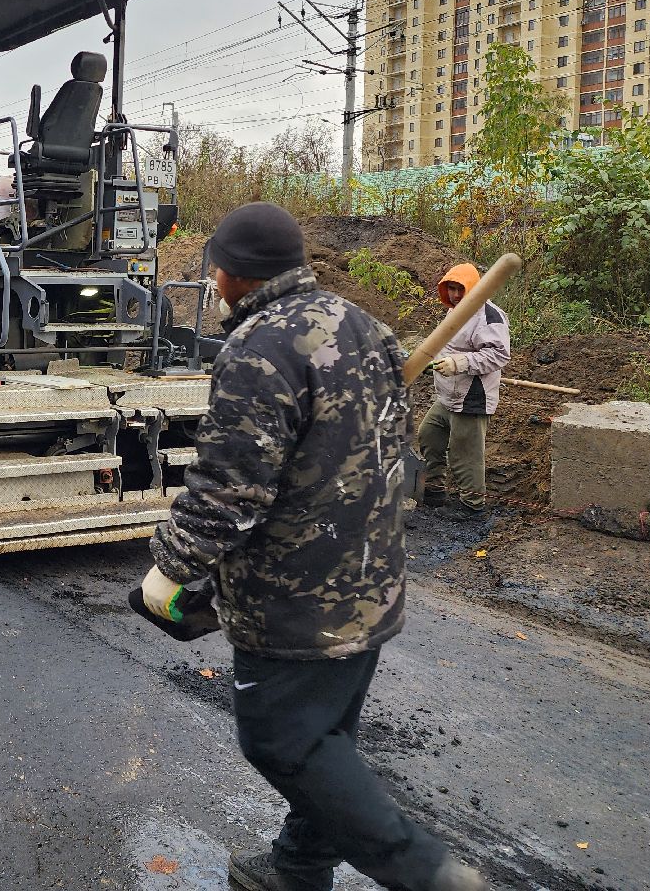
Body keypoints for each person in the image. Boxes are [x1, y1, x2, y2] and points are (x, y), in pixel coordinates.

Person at [142, 203, 484, 891]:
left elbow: (228, 488)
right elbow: (386, 449)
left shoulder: (257, 349)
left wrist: (169, 568)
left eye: (215, 270)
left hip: (297, 602)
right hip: (373, 578)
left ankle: (427, 873)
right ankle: (299, 869)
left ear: (235, 274)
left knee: (285, 741)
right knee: (328, 739)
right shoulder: (363, 324)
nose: (211, 282)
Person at [417, 263, 511, 516]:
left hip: (472, 395)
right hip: (449, 394)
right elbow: (449, 346)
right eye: (451, 289)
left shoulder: (490, 317)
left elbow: (499, 355)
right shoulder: (455, 312)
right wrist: (431, 361)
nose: (455, 295)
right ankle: (434, 491)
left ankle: (472, 507)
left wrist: (459, 363)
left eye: (461, 289)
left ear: (473, 288)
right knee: (429, 435)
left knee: (464, 454)